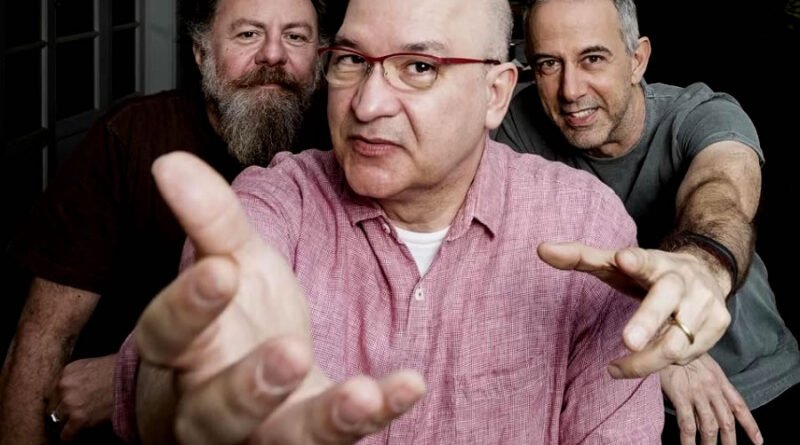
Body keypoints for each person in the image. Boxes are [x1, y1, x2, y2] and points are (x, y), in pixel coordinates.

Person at [110, 0, 666, 443]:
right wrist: (187, 389)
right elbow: (166, 393)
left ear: (494, 94)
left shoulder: (586, 226)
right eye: (352, 60)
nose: (367, 104)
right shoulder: (272, 203)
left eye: (419, 67)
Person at [0, 0, 328, 443]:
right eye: (248, 34)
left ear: (320, 57)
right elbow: (43, 335)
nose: (273, 54)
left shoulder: (343, 148)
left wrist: (126, 377)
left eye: (295, 36)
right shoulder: (128, 140)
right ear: (201, 53)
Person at [494, 0, 800, 444]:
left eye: (592, 58)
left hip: (747, 387)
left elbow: (721, 192)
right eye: (548, 64)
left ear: (637, 60)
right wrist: (654, 343)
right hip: (608, 392)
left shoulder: (701, 115)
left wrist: (703, 266)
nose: (570, 90)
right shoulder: (516, 128)